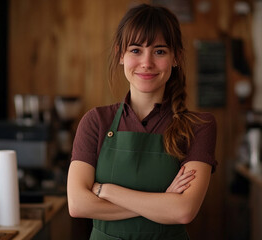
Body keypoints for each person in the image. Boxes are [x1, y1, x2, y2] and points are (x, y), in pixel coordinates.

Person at [67, 3, 217, 240]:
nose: (146, 62)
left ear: (175, 57)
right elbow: (78, 205)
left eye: (159, 51)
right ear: (120, 55)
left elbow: (183, 211)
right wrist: (162, 203)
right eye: (136, 50)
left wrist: (105, 190)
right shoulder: (96, 121)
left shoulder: (199, 126)